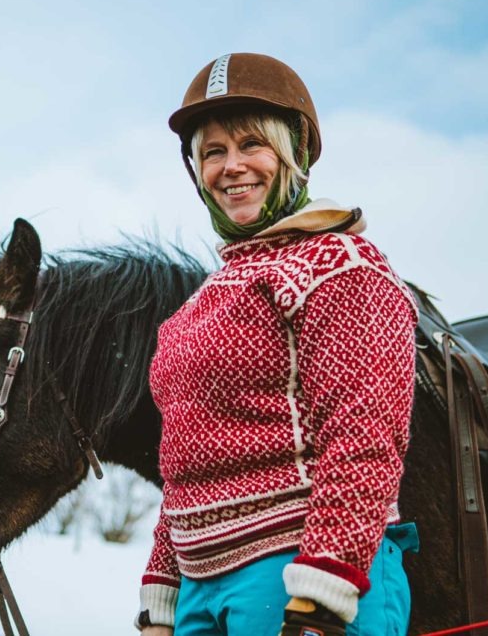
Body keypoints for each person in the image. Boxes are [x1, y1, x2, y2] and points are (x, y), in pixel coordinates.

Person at [135, 53, 419, 636]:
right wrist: (162, 593)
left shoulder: (339, 263)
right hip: (199, 590)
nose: (231, 166)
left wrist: (322, 591)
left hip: (296, 574)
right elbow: (187, 460)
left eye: (250, 145)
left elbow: (364, 431)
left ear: (292, 154)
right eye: (212, 152)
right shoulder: (200, 302)